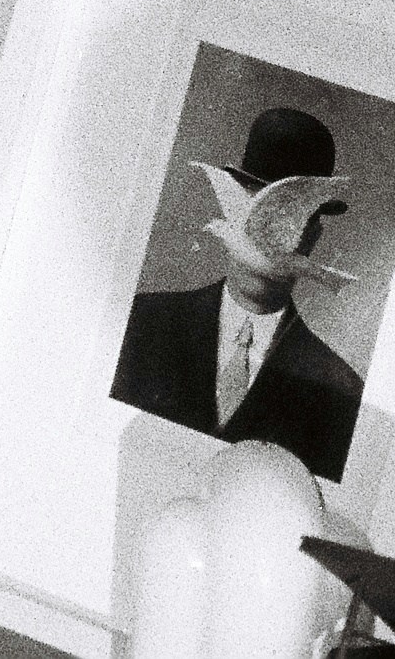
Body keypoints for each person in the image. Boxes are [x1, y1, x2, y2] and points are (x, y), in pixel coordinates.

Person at [107, 103, 366, 480]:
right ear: (228, 206)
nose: (267, 231)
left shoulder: (340, 394)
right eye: (255, 201)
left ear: (312, 235)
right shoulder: (143, 323)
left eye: (291, 212)